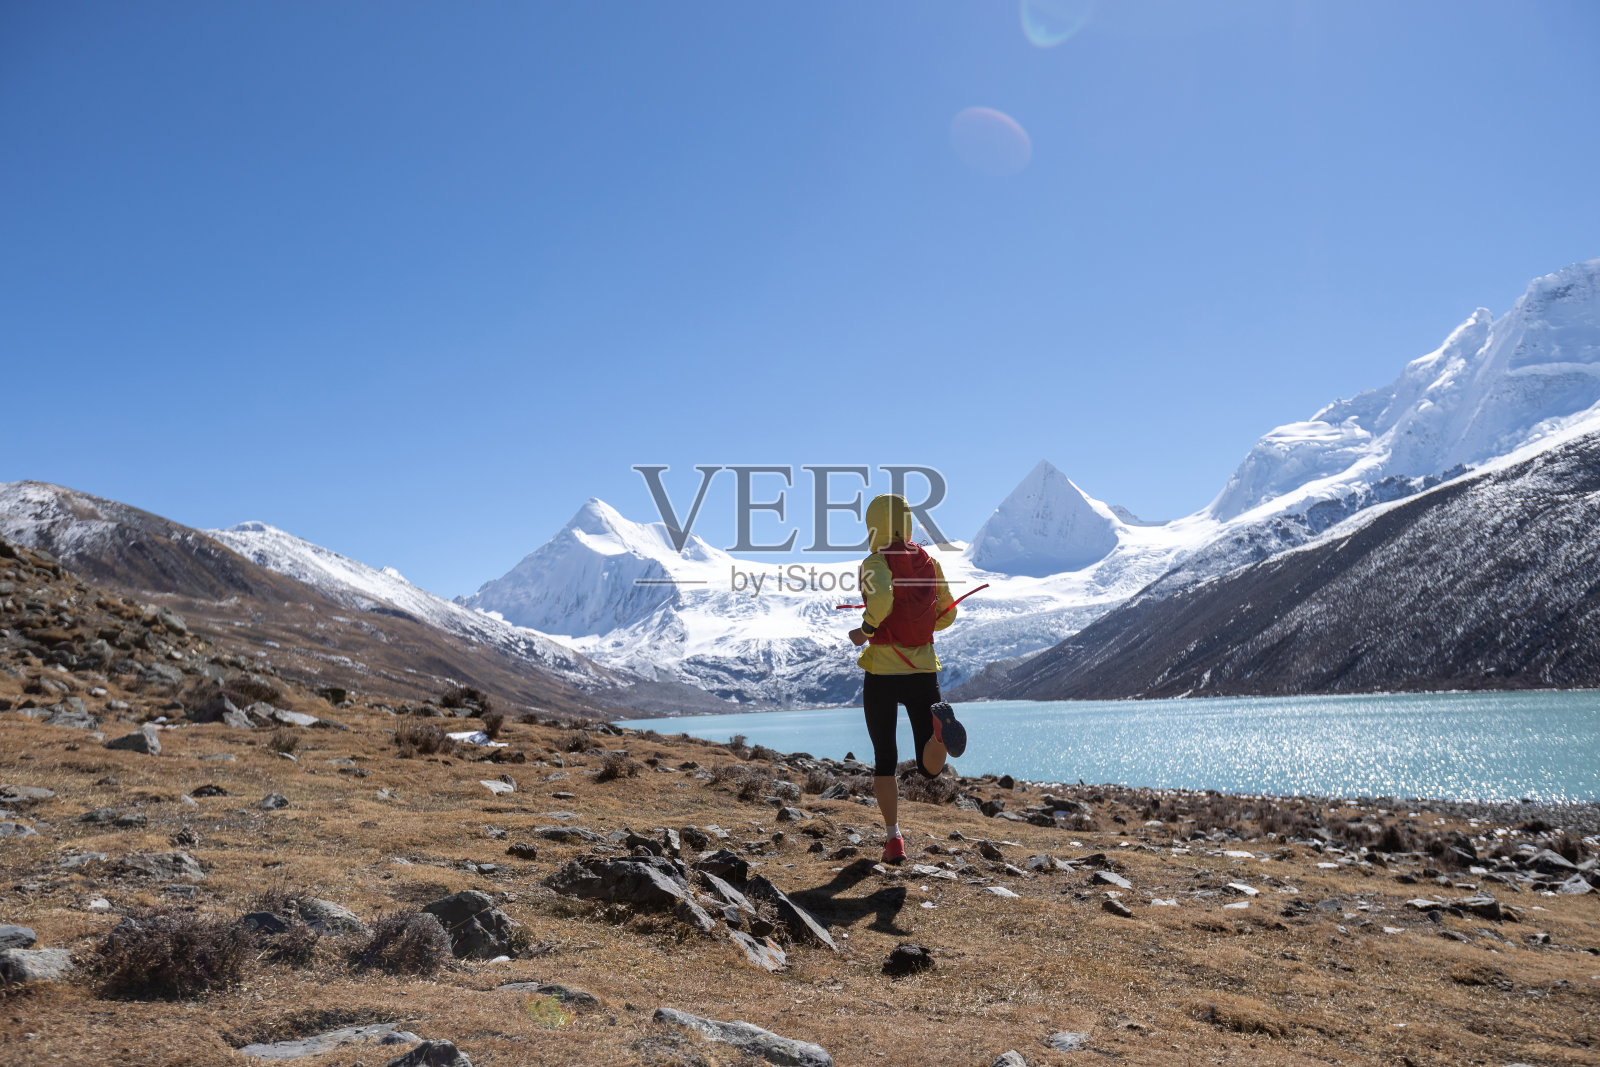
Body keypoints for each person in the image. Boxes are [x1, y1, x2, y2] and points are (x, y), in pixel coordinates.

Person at [847, 493, 967, 864]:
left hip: (883, 671)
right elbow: (947, 614)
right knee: (930, 767)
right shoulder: (930, 561)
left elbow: (881, 601)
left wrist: (866, 628)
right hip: (923, 671)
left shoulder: (875, 561)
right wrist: (918, 625)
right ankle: (938, 732)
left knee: (885, 758)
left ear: (874, 524)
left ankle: (893, 839)